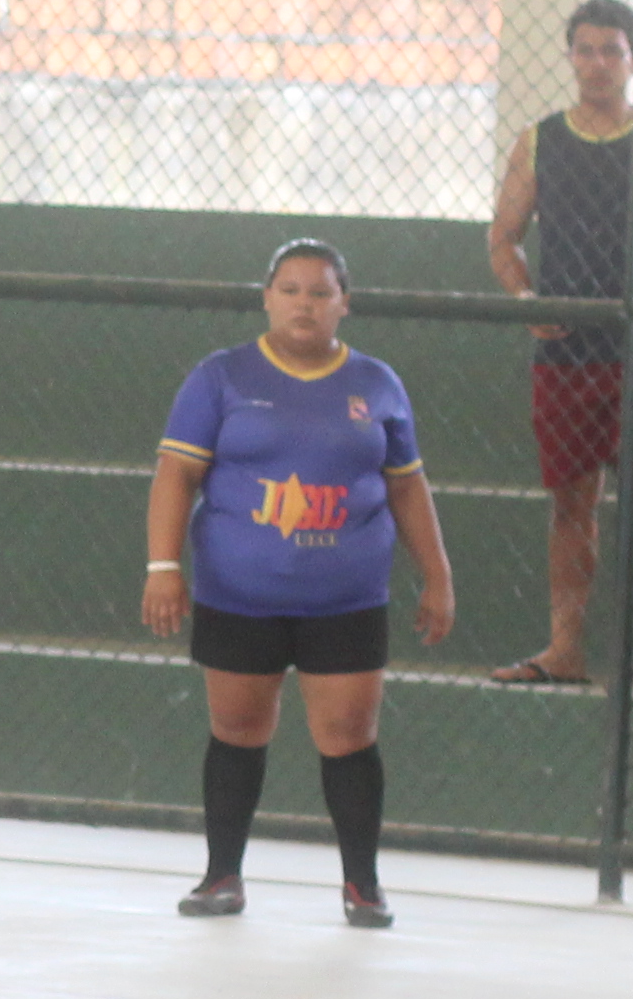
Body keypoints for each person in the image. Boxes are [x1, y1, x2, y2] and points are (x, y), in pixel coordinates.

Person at [141, 240, 455, 926]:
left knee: (348, 732)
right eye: (289, 289)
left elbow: (407, 487)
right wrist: (163, 568)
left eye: (319, 291)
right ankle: (221, 875)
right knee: (238, 727)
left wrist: (438, 575)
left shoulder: (376, 384)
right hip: (238, 594)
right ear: (266, 297)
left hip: (345, 598)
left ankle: (362, 887)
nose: (304, 304)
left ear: (345, 302)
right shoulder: (220, 377)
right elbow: (176, 475)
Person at [482, 0, 633, 691]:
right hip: (566, 355)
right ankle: (564, 650)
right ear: (571, 58)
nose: (596, 64)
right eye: (584, 50)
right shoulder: (538, 140)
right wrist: (528, 300)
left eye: (610, 51)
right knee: (570, 502)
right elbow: (502, 239)